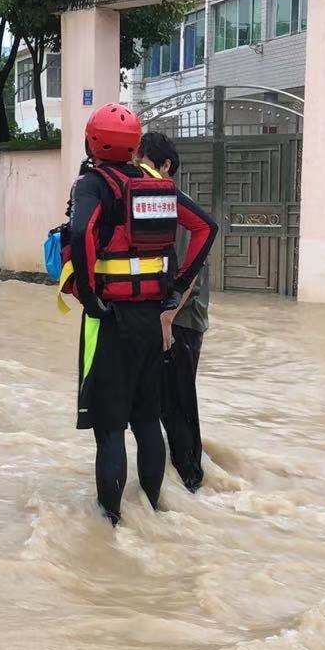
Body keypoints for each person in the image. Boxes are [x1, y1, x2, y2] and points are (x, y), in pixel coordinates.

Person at [62, 104, 215, 525]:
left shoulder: (92, 184)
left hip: (111, 320)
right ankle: (152, 508)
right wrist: (178, 287)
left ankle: (111, 522)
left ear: (93, 141)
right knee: (147, 420)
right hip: (153, 322)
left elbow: (80, 233)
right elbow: (206, 227)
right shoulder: (156, 185)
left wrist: (91, 298)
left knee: (109, 428)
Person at [137, 131, 215, 493]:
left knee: (179, 400)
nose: (140, 170)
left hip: (181, 318)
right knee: (166, 400)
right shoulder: (154, 204)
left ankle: (191, 479)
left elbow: (190, 276)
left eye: (146, 163)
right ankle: (183, 472)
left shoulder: (174, 205)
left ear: (165, 166)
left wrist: (167, 316)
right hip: (171, 317)